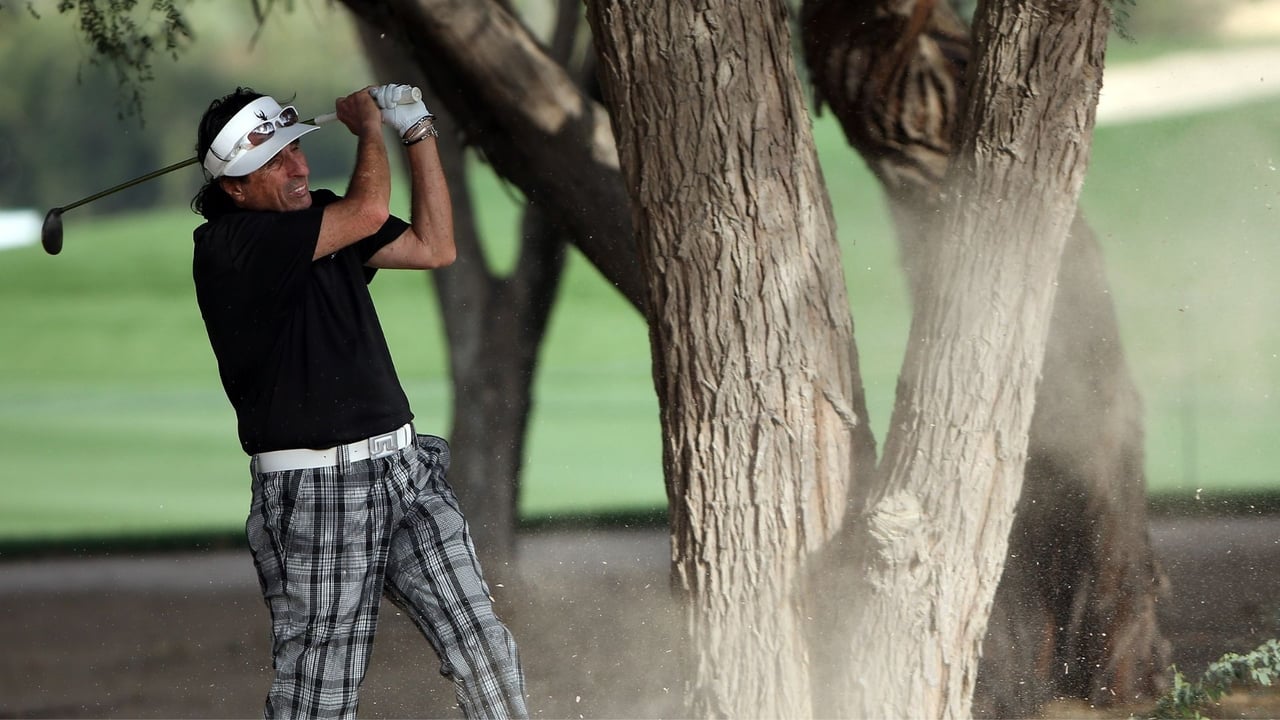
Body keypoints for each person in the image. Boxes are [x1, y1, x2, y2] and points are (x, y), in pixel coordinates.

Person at [189, 84, 528, 719]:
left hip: (405, 469)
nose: (299, 168)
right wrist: (371, 130)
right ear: (234, 187)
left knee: (484, 644)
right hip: (318, 492)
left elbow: (436, 247)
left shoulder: (318, 217)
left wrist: (418, 130)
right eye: (277, 161)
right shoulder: (231, 247)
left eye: (297, 151)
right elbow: (369, 213)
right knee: (320, 692)